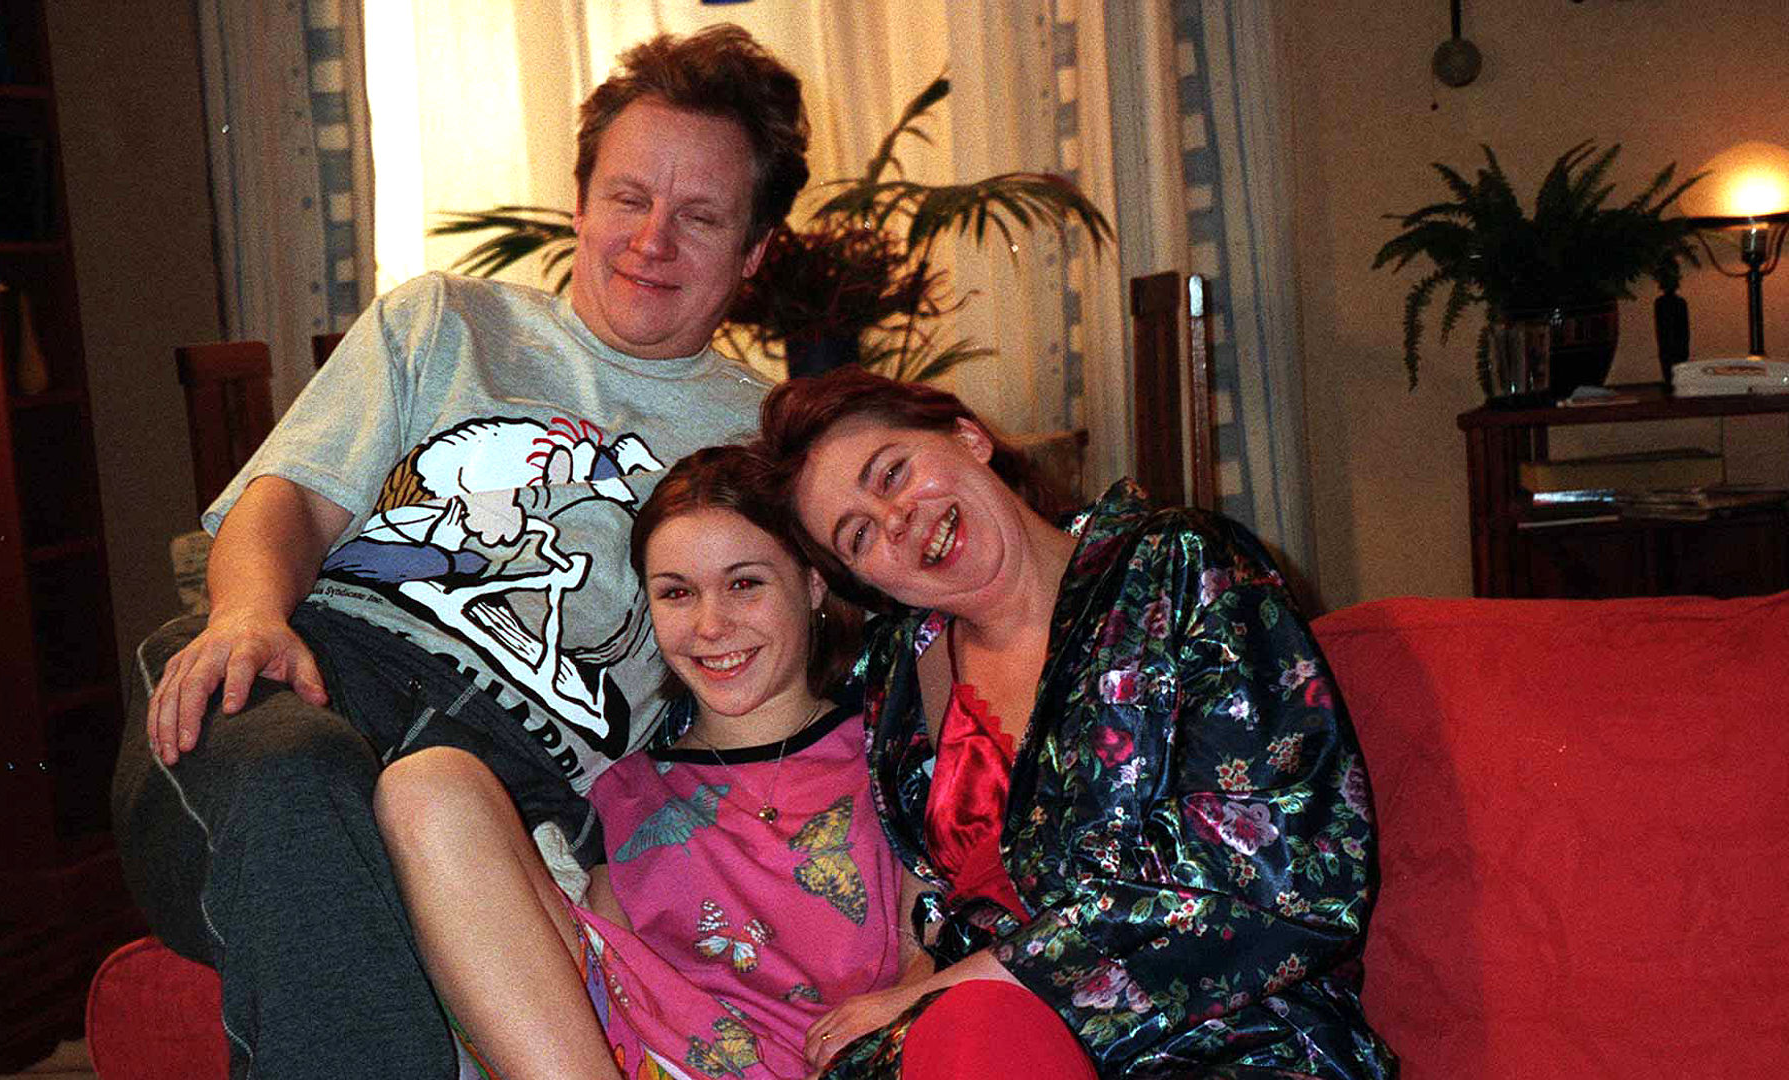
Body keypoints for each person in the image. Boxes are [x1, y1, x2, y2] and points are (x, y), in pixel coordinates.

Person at [111, 26, 810, 1078]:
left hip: (518, 786)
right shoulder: (444, 320)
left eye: (701, 217)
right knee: (296, 782)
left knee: (402, 859)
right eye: (626, 198)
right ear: (579, 205)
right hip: (315, 678)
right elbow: (290, 499)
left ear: (753, 251)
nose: (651, 240)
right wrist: (248, 613)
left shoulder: (773, 443)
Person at [757, 367, 1398, 1079]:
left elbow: (1275, 877)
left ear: (968, 437)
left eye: (892, 474)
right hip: (983, 1044)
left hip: (1222, 1038)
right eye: (858, 537)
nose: (896, 521)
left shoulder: (1177, 565)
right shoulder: (902, 673)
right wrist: (916, 997)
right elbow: (932, 906)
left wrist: (949, 991)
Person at [376, 445, 932, 1079]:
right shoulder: (622, 792)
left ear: (812, 583)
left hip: (840, 1062)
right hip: (631, 1056)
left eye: (744, 584)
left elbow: (935, 948)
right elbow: (603, 966)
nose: (710, 625)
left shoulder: (890, 757)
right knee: (428, 783)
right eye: (677, 593)